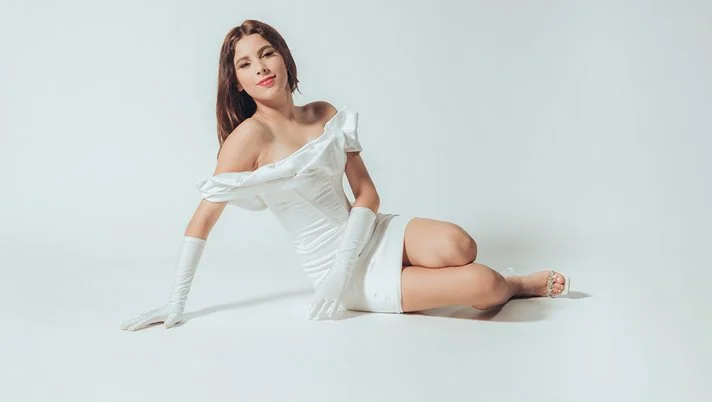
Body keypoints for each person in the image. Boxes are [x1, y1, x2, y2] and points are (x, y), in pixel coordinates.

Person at [120, 20, 568, 331]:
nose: (260, 68)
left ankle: (422, 272)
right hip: (340, 276)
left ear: (283, 58)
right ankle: (515, 284)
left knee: (461, 244)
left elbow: (367, 192)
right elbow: (203, 221)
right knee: (484, 283)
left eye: (267, 53)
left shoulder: (326, 114)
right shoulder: (247, 139)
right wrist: (176, 303)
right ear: (236, 81)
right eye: (245, 64)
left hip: (371, 232)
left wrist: (354, 249)